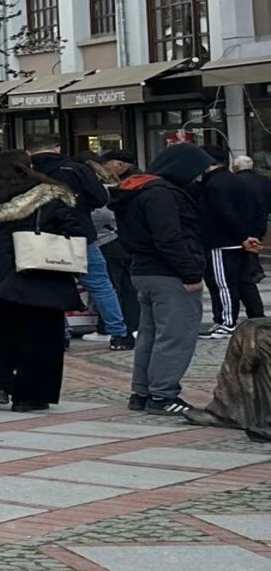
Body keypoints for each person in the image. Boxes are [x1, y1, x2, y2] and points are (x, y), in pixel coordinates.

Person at [0, 151, 89, 413]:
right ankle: (30, 395)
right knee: (42, 336)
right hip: (37, 273)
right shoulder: (46, 196)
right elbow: (77, 231)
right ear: (27, 168)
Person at [115, 143, 215, 416]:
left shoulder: (137, 188)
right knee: (175, 335)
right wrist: (191, 272)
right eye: (198, 172)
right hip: (169, 274)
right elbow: (169, 237)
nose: (199, 178)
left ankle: (142, 392)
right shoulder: (163, 195)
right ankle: (163, 395)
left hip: (143, 270)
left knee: (150, 333)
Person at [27, 138, 127, 350]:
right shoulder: (76, 169)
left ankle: (60, 335)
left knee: (51, 286)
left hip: (43, 237)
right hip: (80, 234)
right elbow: (100, 199)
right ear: (58, 148)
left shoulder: (27, 171)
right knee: (101, 285)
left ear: (28, 152)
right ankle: (118, 334)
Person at [199, 154, 268, 339]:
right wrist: (253, 234)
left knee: (223, 284)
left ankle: (226, 322)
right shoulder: (239, 182)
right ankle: (248, 317)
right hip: (240, 241)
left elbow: (224, 213)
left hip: (223, 242)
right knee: (242, 282)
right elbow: (259, 208)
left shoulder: (215, 185)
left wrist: (244, 236)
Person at [88, 156, 140, 341]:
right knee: (126, 286)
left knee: (111, 285)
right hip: (120, 238)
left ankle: (109, 328)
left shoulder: (102, 191)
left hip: (107, 240)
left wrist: (85, 226)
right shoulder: (119, 187)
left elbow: (101, 215)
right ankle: (132, 324)